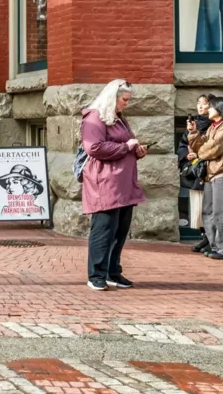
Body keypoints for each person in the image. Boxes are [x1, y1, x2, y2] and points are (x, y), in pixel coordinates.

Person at [81, 79, 146, 291]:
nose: (126, 104)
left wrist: (137, 150)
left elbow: (127, 144)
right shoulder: (95, 116)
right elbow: (94, 147)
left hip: (124, 184)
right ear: (113, 97)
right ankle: (96, 274)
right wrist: (126, 147)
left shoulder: (118, 119)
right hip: (105, 182)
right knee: (104, 229)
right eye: (124, 100)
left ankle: (112, 271)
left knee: (120, 230)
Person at [186, 95, 223, 261]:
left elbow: (213, 148)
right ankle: (216, 245)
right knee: (209, 212)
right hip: (212, 174)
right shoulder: (212, 127)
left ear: (220, 109)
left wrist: (198, 154)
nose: (207, 109)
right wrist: (193, 132)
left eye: (211, 107)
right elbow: (200, 145)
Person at [179, 93, 213, 253]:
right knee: (198, 207)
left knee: (209, 207)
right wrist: (186, 155)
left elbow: (212, 148)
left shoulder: (214, 125)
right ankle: (204, 237)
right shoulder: (192, 125)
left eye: (204, 103)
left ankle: (210, 238)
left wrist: (198, 154)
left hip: (208, 171)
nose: (200, 106)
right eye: (198, 103)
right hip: (195, 171)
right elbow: (182, 145)